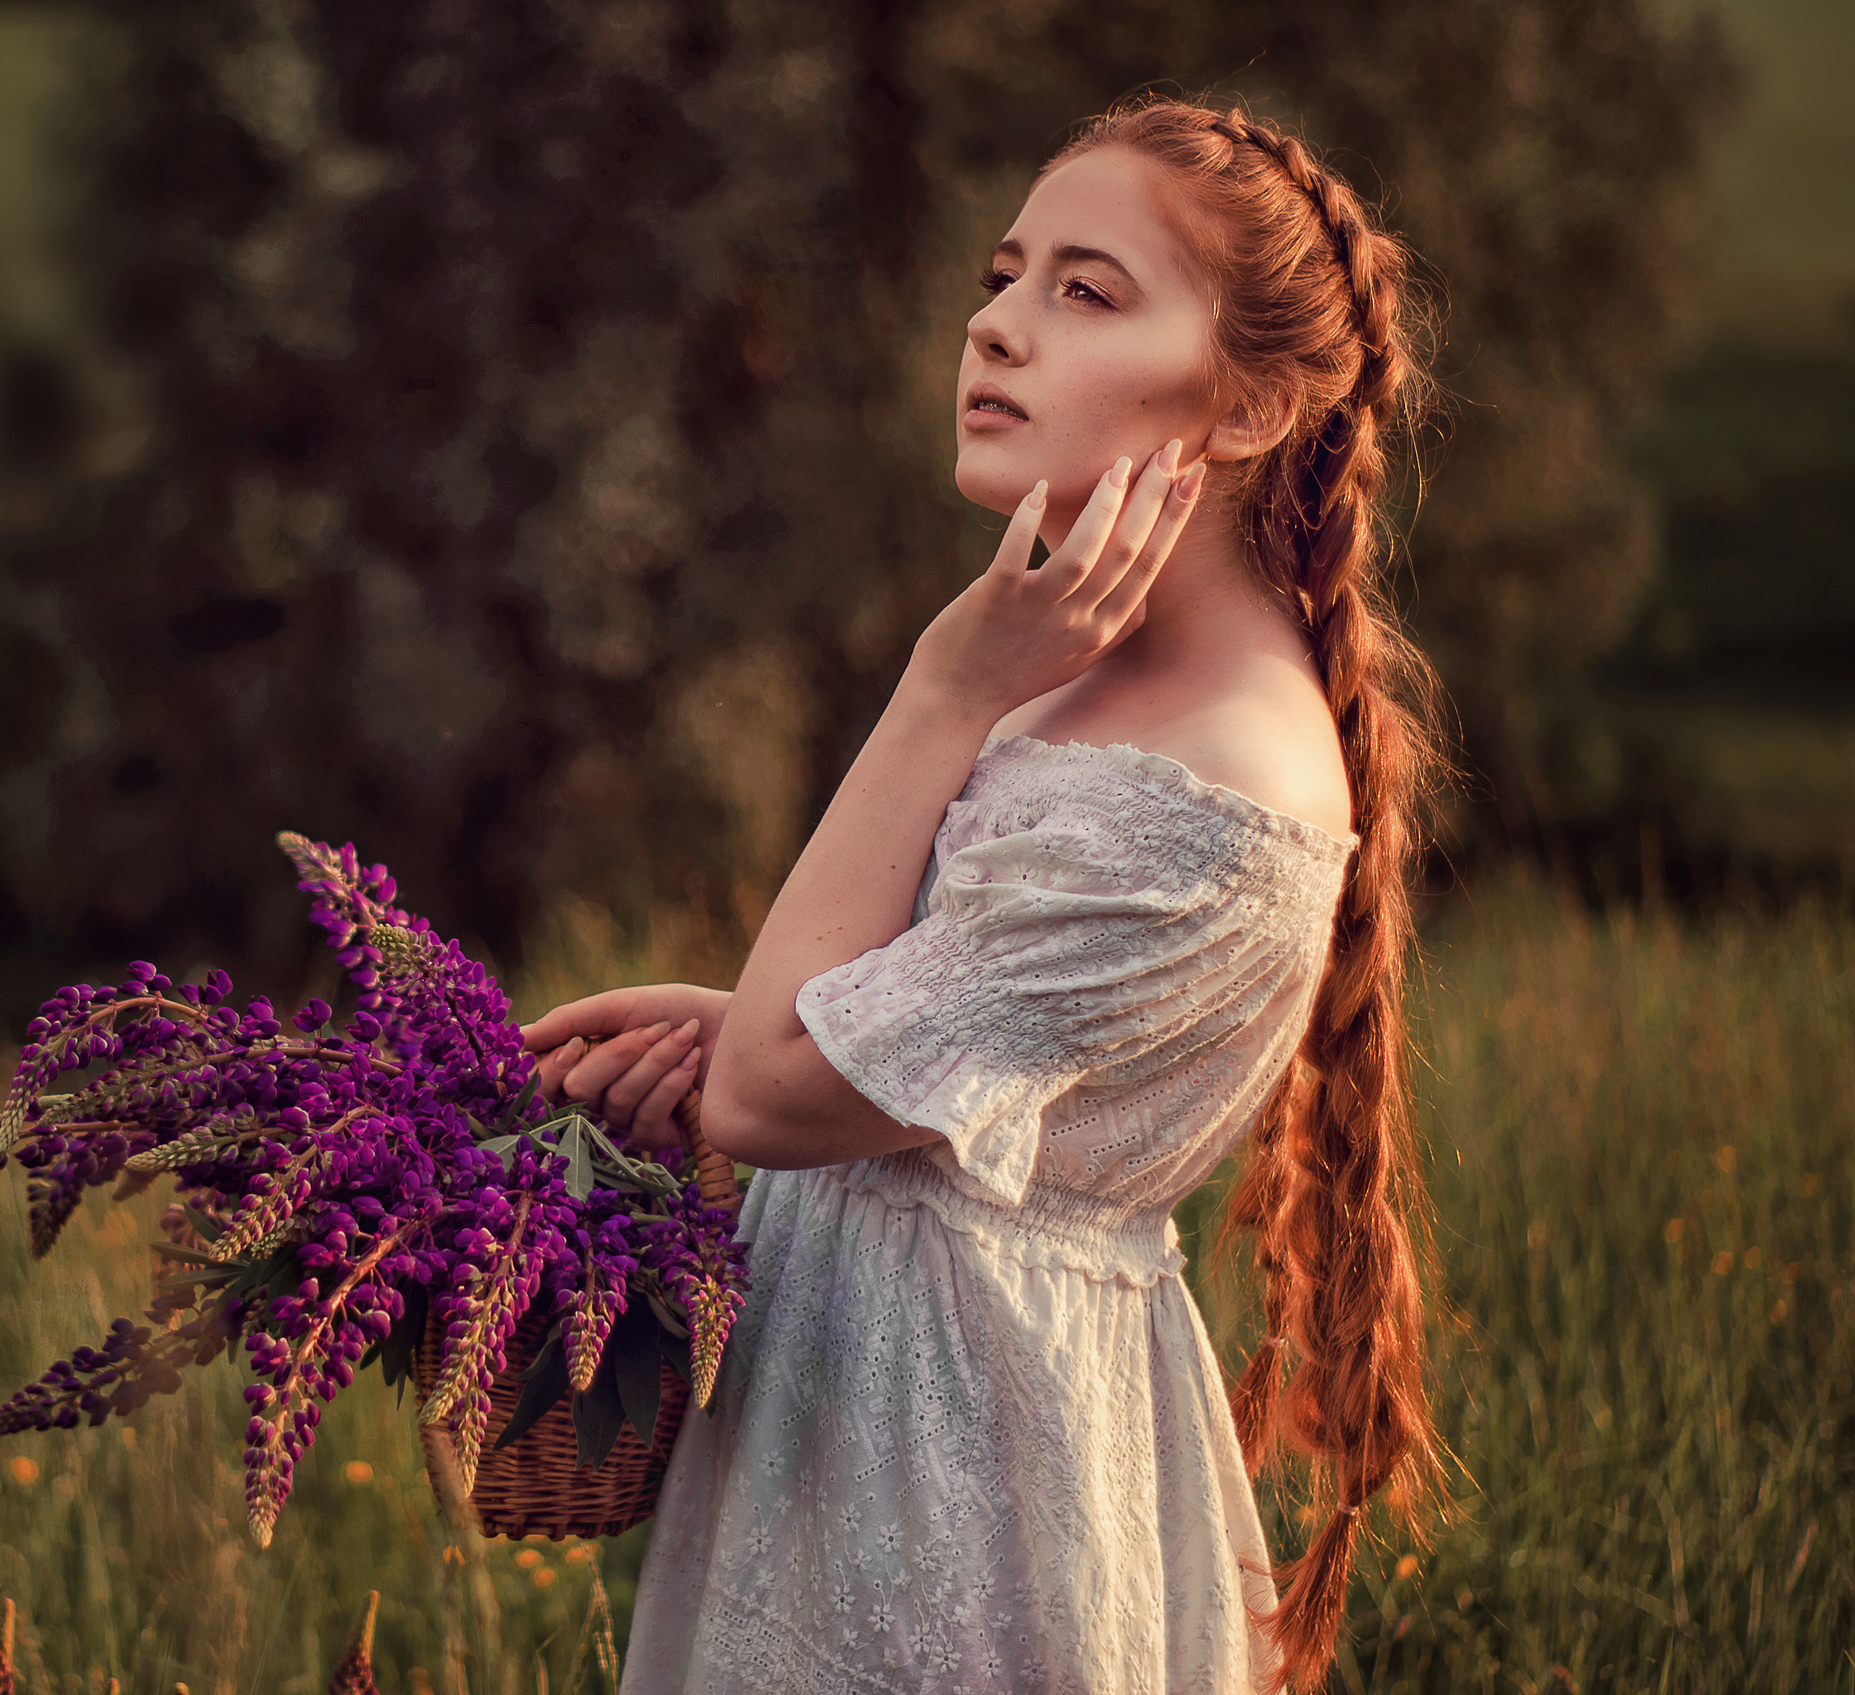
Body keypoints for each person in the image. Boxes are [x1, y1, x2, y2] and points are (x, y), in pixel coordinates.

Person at [519, 96, 1443, 1693]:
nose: (998, 326)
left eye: (1088, 291)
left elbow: (773, 1099)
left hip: (969, 1492)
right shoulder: (1083, 692)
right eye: (1005, 276)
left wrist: (940, 689)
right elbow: (907, 1074)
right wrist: (751, 1030)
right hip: (866, 1434)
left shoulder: (1203, 787)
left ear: (1246, 407)